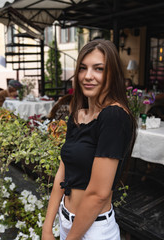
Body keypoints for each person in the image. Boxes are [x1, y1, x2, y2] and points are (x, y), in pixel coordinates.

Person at [42, 39, 136, 240]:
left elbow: (98, 194)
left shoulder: (114, 117)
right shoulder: (78, 115)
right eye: (83, 68)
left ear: (112, 75)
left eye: (98, 69)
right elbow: (62, 173)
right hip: (67, 221)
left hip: (93, 231)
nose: (88, 76)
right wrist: (47, 227)